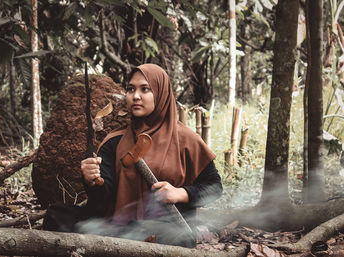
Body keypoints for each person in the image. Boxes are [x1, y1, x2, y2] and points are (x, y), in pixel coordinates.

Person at [43, 63, 222, 247]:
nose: (135, 96)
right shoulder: (115, 141)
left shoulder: (186, 140)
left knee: (171, 237)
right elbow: (103, 201)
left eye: (145, 89)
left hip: (167, 229)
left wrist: (180, 193)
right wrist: (92, 181)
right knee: (57, 214)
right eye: (130, 89)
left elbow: (214, 187)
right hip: (120, 227)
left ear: (161, 94)